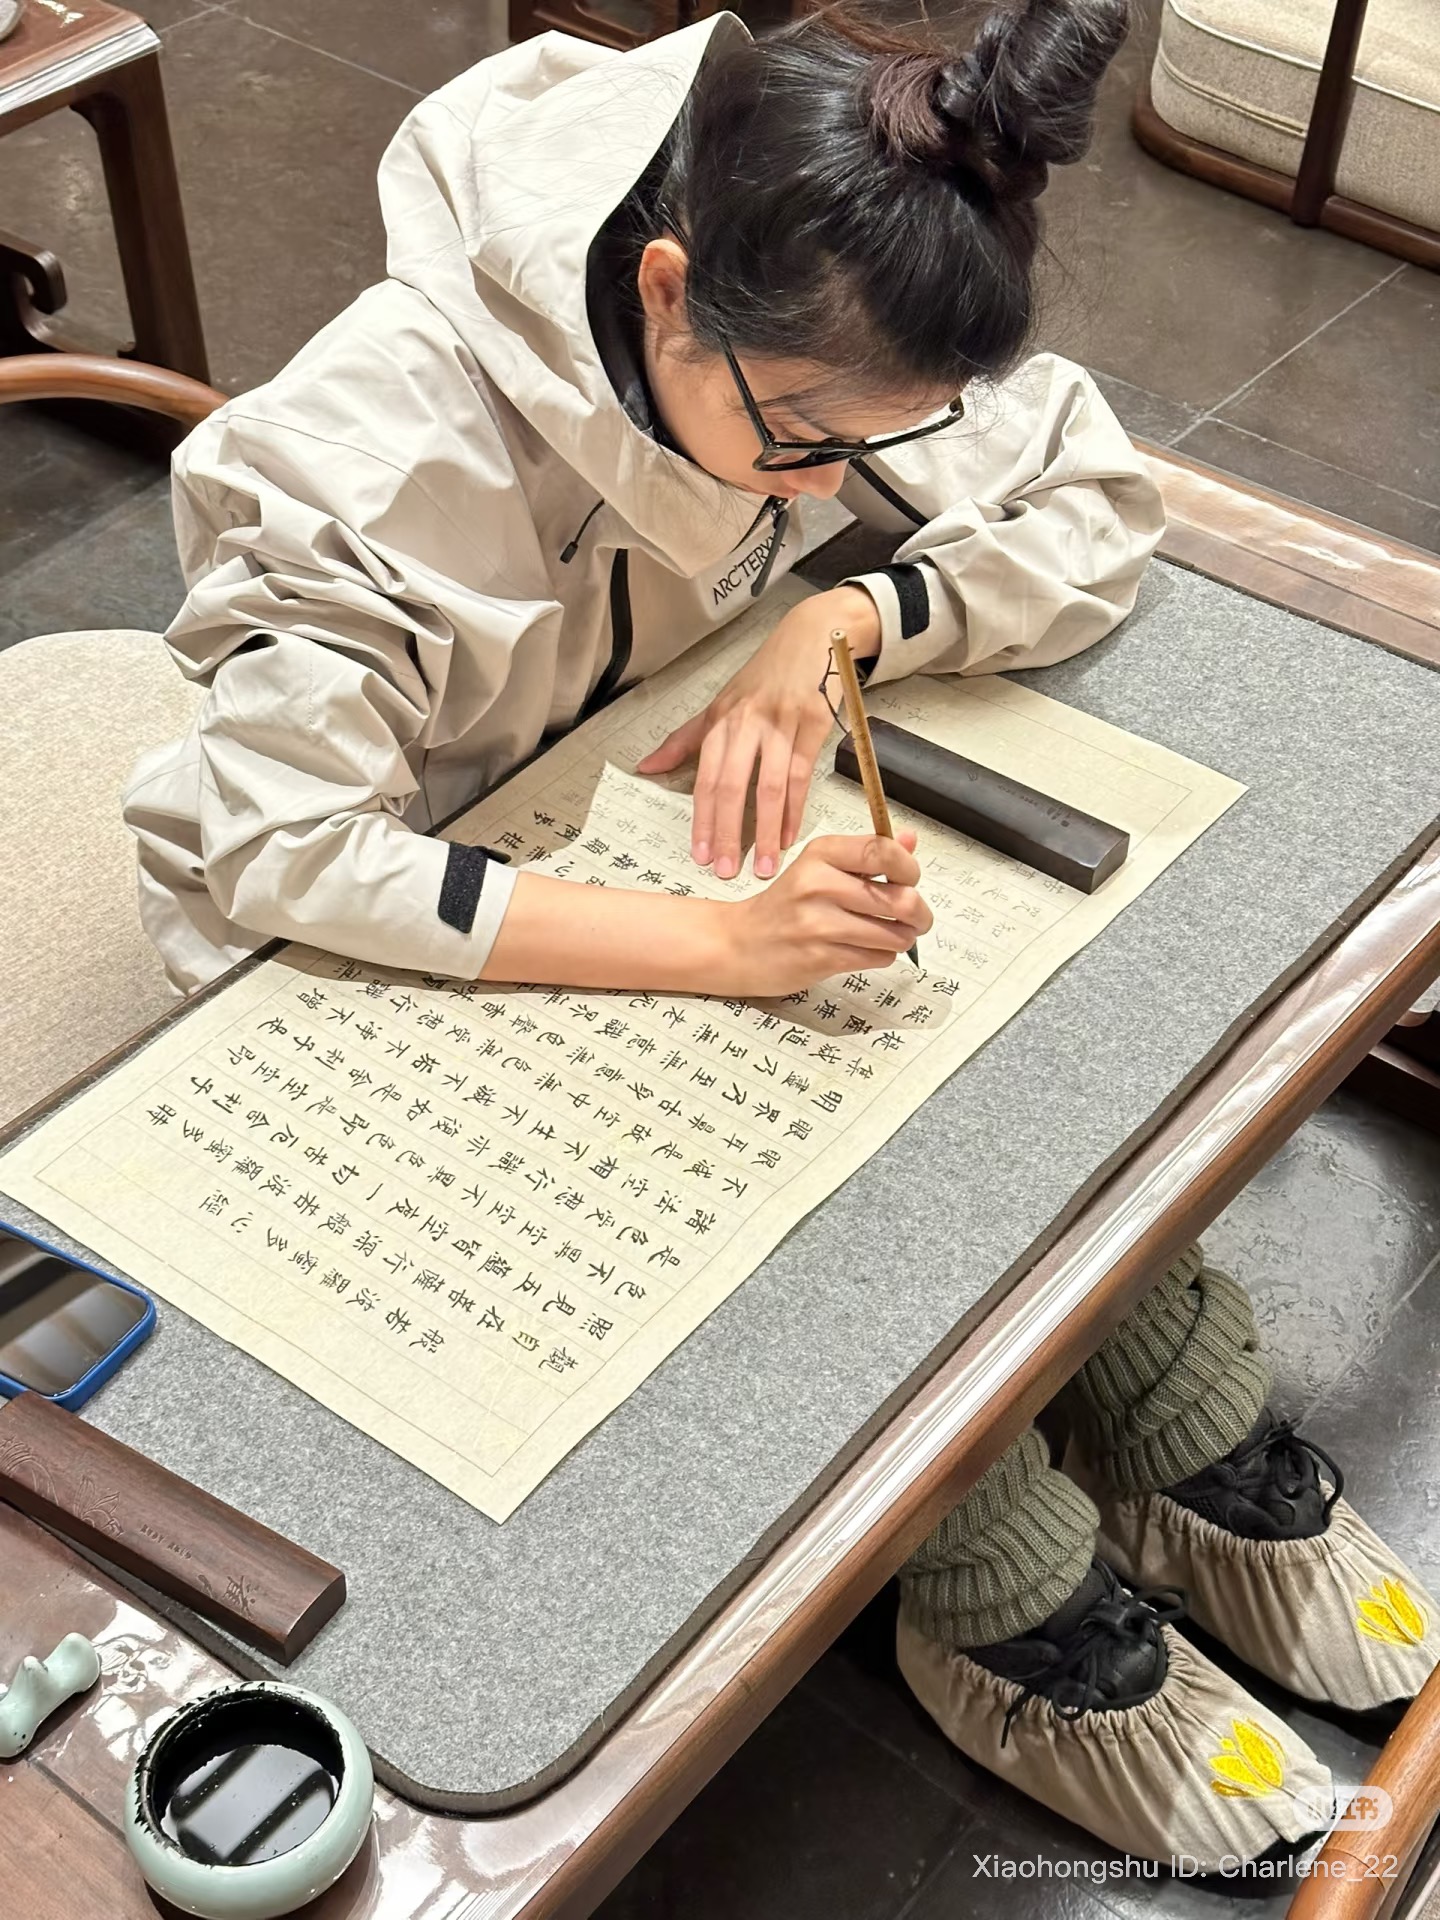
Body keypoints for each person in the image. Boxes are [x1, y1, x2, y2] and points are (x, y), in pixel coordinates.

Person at [124, 0, 1438, 1872]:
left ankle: (1161, 1408)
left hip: (604, 824)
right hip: (364, 964)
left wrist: (843, 625)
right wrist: (714, 948)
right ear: (665, 294)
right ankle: (979, 1572)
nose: (831, 487)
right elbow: (276, 859)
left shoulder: (791, 304)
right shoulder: (368, 450)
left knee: (958, 1031)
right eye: (806, 441)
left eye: (874, 448)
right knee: (796, 1194)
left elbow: (1085, 489)